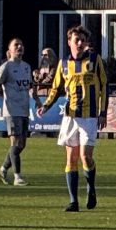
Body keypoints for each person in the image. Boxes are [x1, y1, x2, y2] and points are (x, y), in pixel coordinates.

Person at [39, 26, 107, 211]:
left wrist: (103, 112)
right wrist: (46, 105)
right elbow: (56, 88)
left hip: (90, 116)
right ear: (69, 42)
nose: (79, 43)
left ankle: (91, 188)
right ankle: (73, 201)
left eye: (82, 40)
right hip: (70, 116)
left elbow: (104, 85)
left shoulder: (94, 60)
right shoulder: (63, 64)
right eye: (76, 39)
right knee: (71, 159)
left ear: (86, 43)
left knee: (86, 157)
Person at [0, 38, 33, 186]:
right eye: (16, 45)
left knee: (21, 145)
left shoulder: (26, 67)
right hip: (11, 110)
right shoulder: (6, 67)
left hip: (24, 110)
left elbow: (30, 87)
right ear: (10, 50)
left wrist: (38, 102)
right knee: (15, 142)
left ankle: (2, 169)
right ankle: (17, 176)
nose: (19, 47)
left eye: (21, 44)